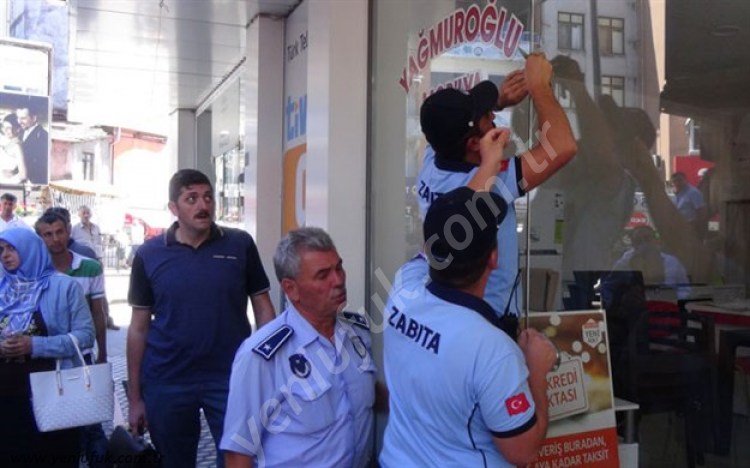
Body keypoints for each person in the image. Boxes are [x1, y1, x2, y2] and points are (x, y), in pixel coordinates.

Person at [381, 142, 557, 466]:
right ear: (494, 258)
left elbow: (433, 248)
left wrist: (487, 164)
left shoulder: (404, 288)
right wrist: (537, 371)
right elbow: (524, 451)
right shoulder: (493, 350)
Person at [416, 52, 577, 336]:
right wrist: (539, 86)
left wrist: (497, 102)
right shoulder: (493, 187)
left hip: (454, 315)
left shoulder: (433, 160)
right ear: (474, 144)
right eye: (486, 116)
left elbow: (451, 131)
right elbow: (562, 146)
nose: (493, 115)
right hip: (491, 322)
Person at [127, 169, 276, 468]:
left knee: (240, 459)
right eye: (191, 198)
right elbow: (138, 328)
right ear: (173, 208)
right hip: (167, 380)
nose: (203, 205)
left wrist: (270, 370)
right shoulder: (149, 254)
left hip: (230, 377)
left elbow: (263, 308)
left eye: (208, 197)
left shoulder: (240, 244)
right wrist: (135, 398)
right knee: (173, 462)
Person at [221, 227, 377, 467]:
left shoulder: (358, 332)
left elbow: (369, 395)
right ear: (291, 289)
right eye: (323, 275)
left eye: (339, 268)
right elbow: (238, 453)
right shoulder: (262, 356)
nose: (338, 281)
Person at [0, 227, 95, 468]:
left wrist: (35, 345)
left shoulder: (63, 287)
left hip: (54, 397)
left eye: (12, 248)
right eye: (1, 250)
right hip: (7, 400)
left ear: (30, 249)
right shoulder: (3, 287)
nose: (5, 255)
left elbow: (85, 336)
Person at [35, 210, 110, 467]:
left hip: (81, 356)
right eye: (48, 234)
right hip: (47, 358)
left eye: (59, 232)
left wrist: (102, 354)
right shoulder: (36, 270)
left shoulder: (89, 267)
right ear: (40, 238)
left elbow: (98, 313)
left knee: (91, 424)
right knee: (57, 424)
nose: (55, 239)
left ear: (69, 231)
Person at [612, 225, 690, 299]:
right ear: (633, 244)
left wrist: (672, 298)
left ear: (655, 240)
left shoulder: (672, 262)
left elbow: (685, 289)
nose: (644, 243)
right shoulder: (623, 264)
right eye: (638, 241)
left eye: (647, 239)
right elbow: (611, 287)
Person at [16, 106, 49, 185]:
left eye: (23, 118)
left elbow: (41, 165)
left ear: (34, 118)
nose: (19, 122)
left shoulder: (43, 136)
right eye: (18, 118)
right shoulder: (21, 132)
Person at [671, 171, 707, 236]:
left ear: (685, 180)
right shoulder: (677, 194)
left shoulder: (693, 193)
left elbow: (701, 211)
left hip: (692, 227)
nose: (677, 183)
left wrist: (697, 228)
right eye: (675, 181)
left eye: (680, 180)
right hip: (680, 227)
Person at [0, 114, 26, 183]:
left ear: (18, 129)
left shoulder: (17, 147)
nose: (5, 130)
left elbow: (23, 175)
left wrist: (8, 181)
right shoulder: (6, 142)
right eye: (4, 127)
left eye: (8, 128)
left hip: (5, 182)